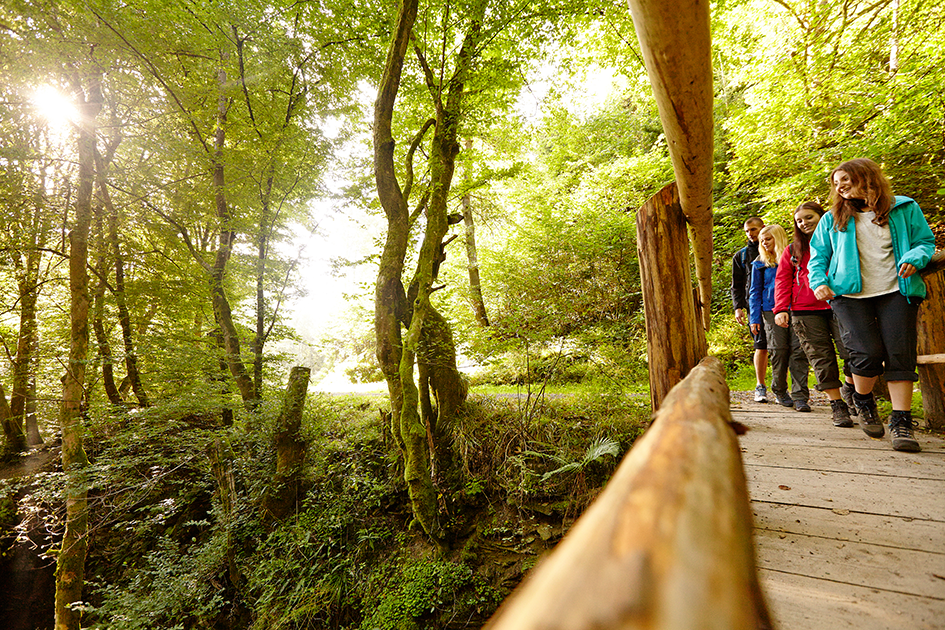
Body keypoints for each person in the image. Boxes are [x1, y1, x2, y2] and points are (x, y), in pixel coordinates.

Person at [808, 158, 936, 452]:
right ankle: (863, 400)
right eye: (836, 183)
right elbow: (818, 257)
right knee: (866, 353)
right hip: (848, 295)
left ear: (866, 178)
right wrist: (819, 282)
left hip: (896, 290)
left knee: (899, 353)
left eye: (845, 180)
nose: (839, 187)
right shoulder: (832, 218)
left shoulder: (904, 208)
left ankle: (901, 422)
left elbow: (925, 243)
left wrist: (915, 258)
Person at [773, 201, 857, 427]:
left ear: (822, 216)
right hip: (805, 310)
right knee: (821, 359)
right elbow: (782, 280)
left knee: (853, 352)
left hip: (841, 303)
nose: (804, 223)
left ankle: (850, 388)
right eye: (799, 220)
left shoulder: (839, 240)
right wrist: (781, 308)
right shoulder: (792, 250)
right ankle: (837, 405)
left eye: (809, 218)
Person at [749, 224, 811, 411]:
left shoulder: (795, 257)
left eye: (768, 239)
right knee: (778, 350)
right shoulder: (760, 264)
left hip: (797, 308)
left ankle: (800, 396)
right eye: (762, 241)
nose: (765, 243)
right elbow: (754, 292)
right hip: (770, 311)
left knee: (798, 351)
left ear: (778, 237)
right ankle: (780, 390)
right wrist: (754, 318)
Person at [732, 217, 769, 402]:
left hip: (776, 304)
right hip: (753, 306)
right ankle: (760, 386)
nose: (750, 234)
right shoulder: (742, 256)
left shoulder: (776, 251)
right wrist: (738, 307)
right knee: (760, 345)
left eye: (753, 229)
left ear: (762, 228)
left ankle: (782, 387)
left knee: (781, 348)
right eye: (747, 231)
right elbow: (737, 285)